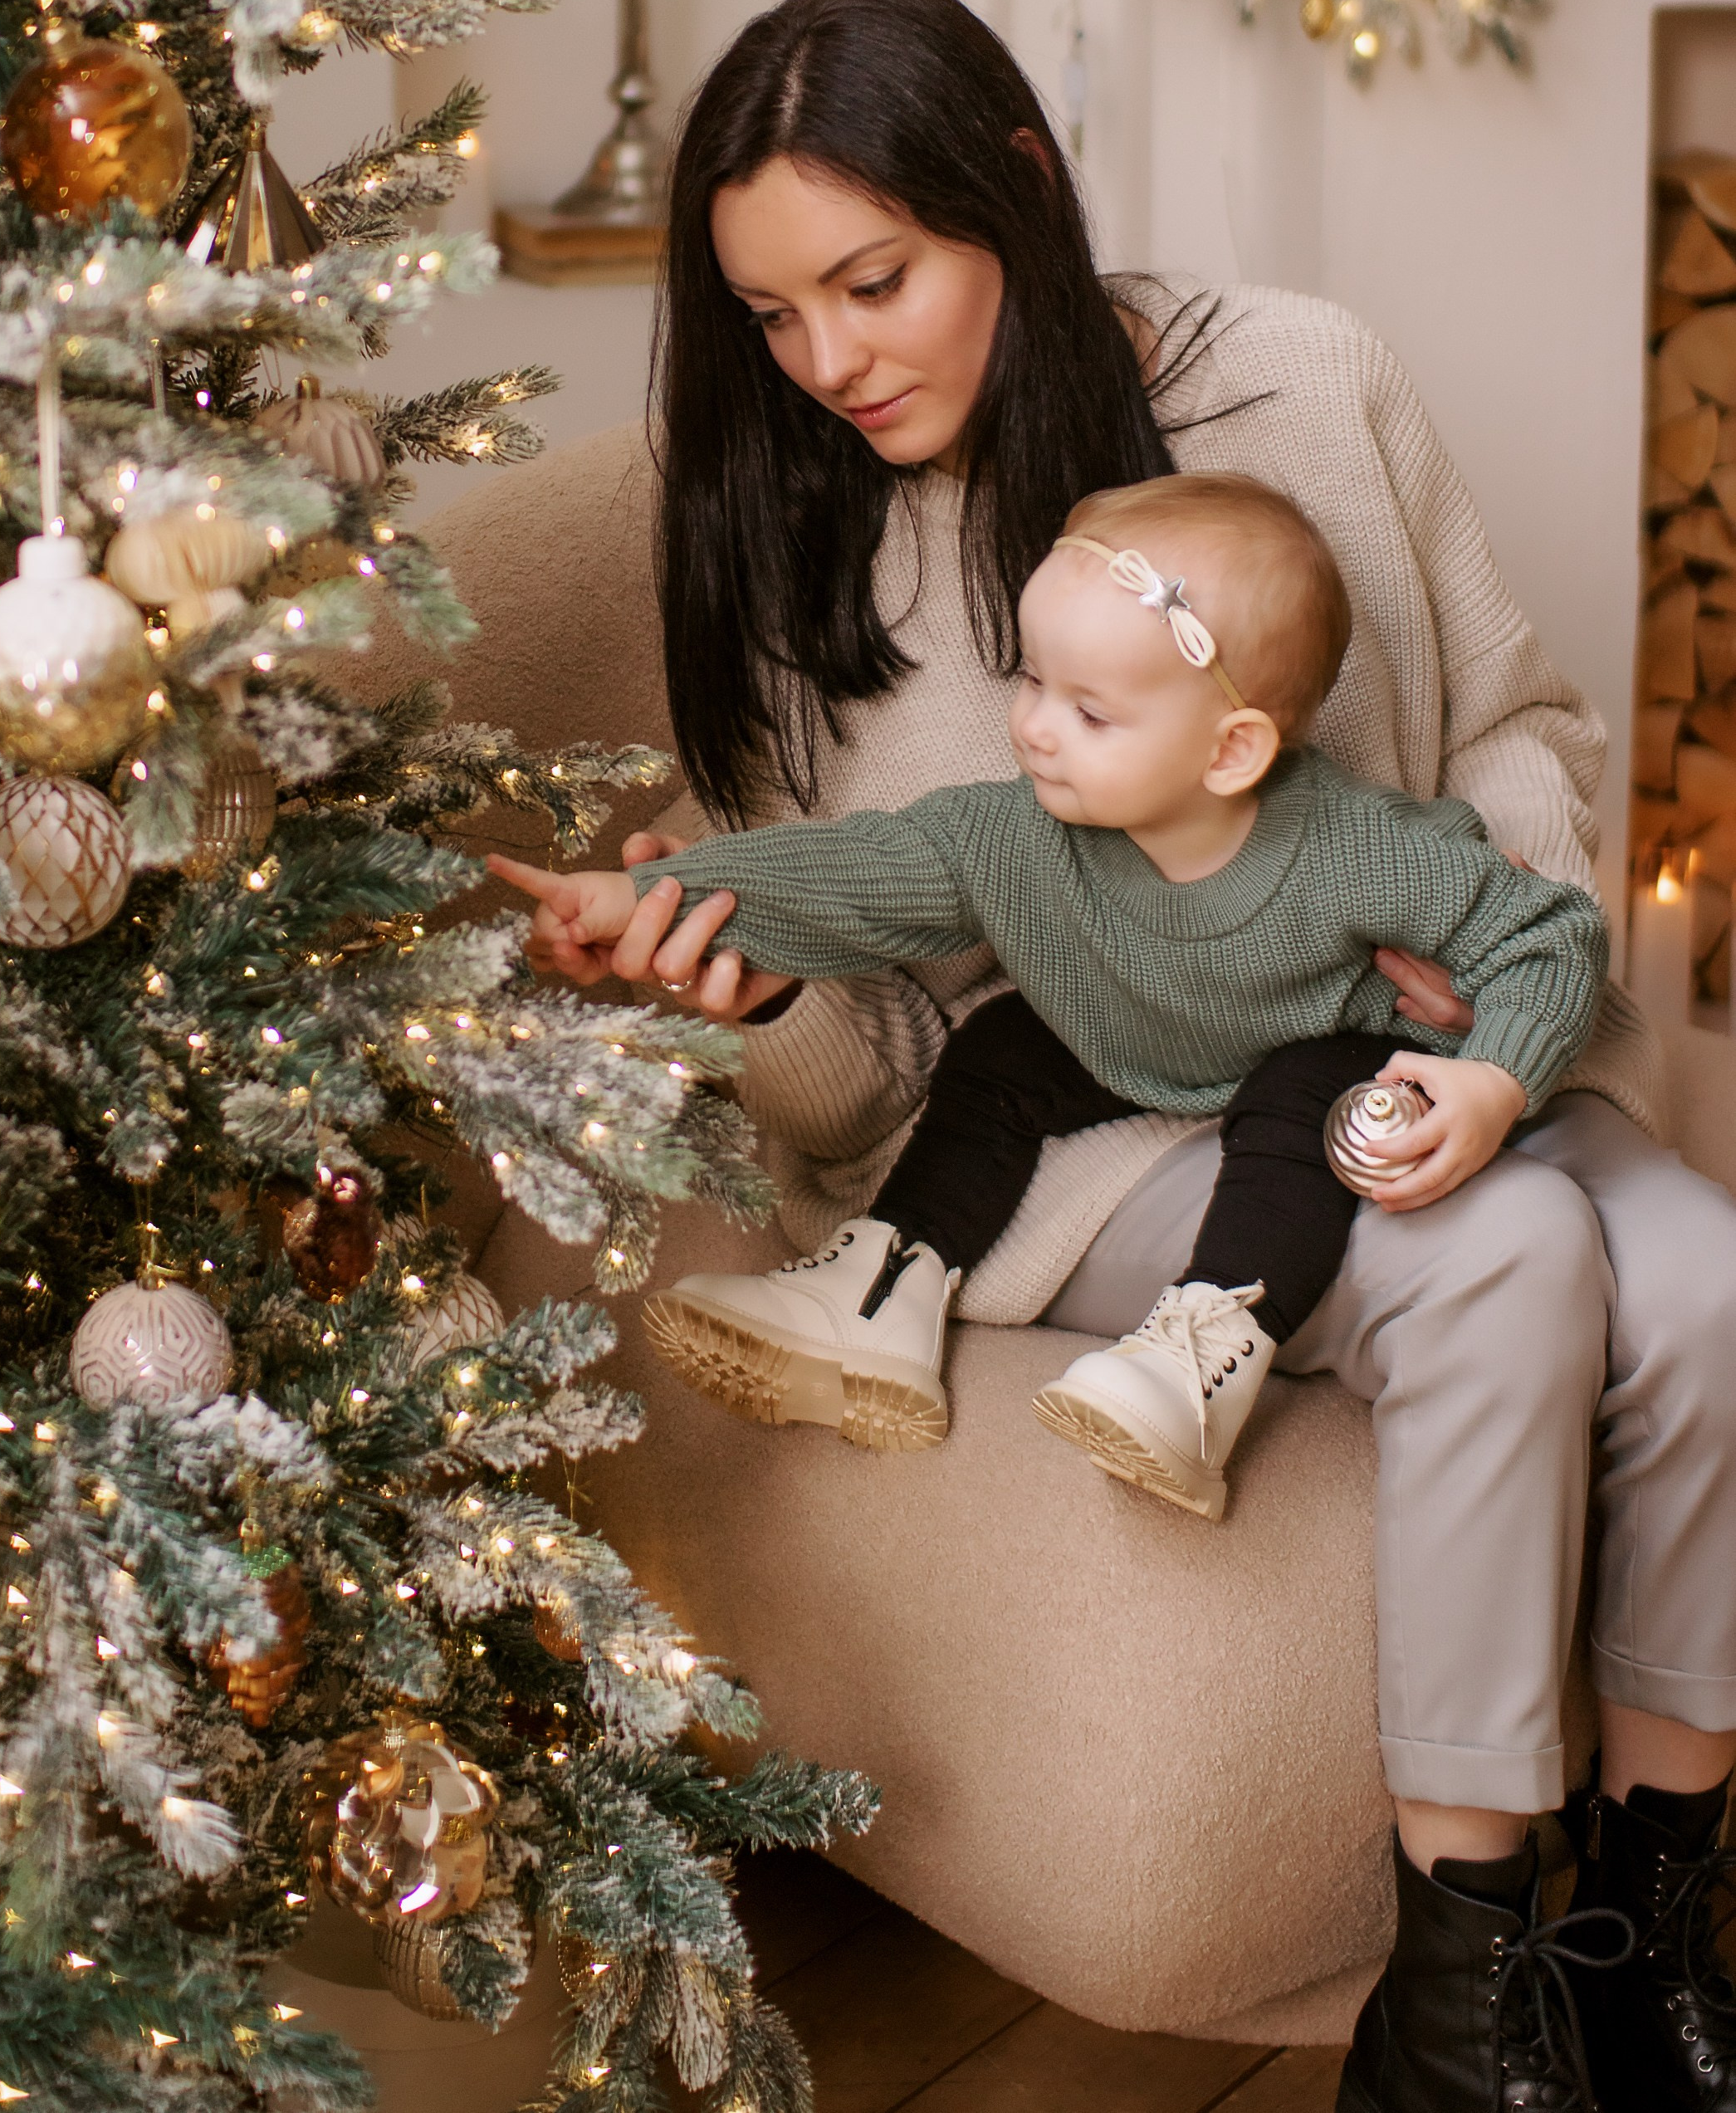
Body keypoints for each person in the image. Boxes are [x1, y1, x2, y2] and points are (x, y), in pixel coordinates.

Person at [508, 0, 1736, 2112]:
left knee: (1714, 1283)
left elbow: (1521, 726)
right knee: (1511, 1264)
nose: (828, 362)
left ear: (1022, 193)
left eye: (871, 283)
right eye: (773, 315)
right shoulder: (792, 527)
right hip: (1087, 1120)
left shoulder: (1301, 382)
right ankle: (1449, 2008)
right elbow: (866, 1069)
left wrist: (1482, 986)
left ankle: (1646, 1934)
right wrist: (763, 1001)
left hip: (1428, 1032)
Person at [493, 469, 1611, 1527]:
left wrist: (1491, 1081)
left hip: (1312, 1044)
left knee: (1295, 1108)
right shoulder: (1016, 835)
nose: (1033, 725)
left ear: (1229, 752)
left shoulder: (1360, 850)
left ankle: (1199, 1354)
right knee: (1001, 1047)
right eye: (1031, 681)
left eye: (1088, 709)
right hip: (1122, 1026)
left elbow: (1548, 935)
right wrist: (638, 893)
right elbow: (846, 876)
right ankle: (884, 1289)